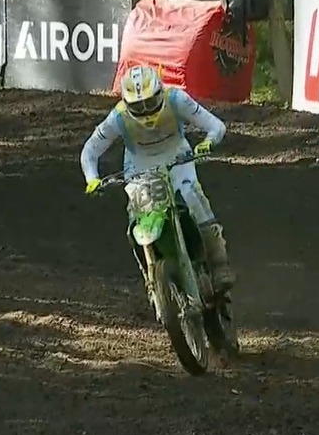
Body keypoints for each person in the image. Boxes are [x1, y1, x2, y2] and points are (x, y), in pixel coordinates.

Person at [80, 64, 235, 292]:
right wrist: (92, 178)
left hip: (177, 158)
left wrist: (208, 142)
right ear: (126, 103)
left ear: (160, 92)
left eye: (150, 102)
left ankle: (220, 264)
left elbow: (216, 126)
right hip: (139, 167)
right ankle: (150, 276)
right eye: (138, 106)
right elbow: (90, 151)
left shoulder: (176, 100)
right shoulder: (119, 117)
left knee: (192, 197)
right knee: (138, 217)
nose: (145, 111)